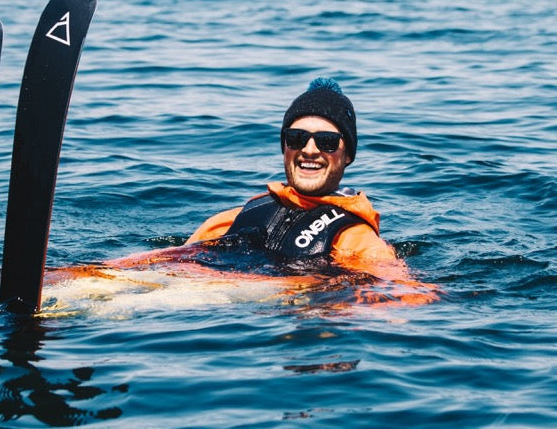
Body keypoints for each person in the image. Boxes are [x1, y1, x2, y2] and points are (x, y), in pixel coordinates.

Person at [106, 78, 428, 293]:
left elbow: (401, 292)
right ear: (284, 146)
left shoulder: (353, 237)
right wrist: (96, 272)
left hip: (252, 300)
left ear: (347, 156)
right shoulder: (243, 214)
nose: (310, 150)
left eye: (328, 141)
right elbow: (169, 257)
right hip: (188, 285)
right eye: (297, 137)